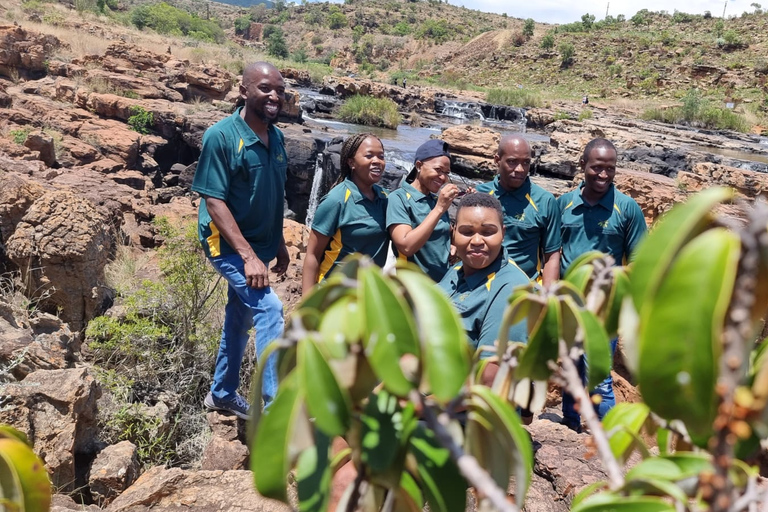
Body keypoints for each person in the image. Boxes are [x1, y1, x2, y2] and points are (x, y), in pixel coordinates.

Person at [192, 62, 289, 419]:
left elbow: (275, 193)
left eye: (280, 89)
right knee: (269, 308)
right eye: (265, 88)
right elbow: (213, 201)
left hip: (261, 245)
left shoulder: (276, 137)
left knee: (239, 316)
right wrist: (249, 256)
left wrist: (277, 242)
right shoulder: (221, 136)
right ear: (244, 90)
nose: (275, 96)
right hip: (227, 244)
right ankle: (276, 410)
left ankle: (222, 393)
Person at [558, 137, 648, 432]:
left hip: (604, 308)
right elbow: (549, 252)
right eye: (597, 167)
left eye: (610, 168)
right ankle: (570, 427)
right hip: (568, 304)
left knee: (598, 376)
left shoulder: (627, 208)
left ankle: (606, 438)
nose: (603, 174)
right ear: (582, 165)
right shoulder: (564, 204)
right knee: (570, 369)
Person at [438, 193, 529, 370]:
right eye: (467, 232)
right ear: (454, 231)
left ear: (503, 233)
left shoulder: (511, 290)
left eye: (488, 232)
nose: (477, 241)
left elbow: (489, 379)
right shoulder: (456, 270)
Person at [302, 133, 389, 294]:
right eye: (369, 155)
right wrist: (307, 304)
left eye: (381, 156)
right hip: (334, 292)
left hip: (368, 294)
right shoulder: (336, 200)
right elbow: (313, 254)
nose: (377, 161)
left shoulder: (385, 197)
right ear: (351, 162)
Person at [476, 134, 561, 287]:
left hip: (523, 290)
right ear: (497, 160)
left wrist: (547, 298)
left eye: (526, 163)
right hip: (480, 286)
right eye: (512, 162)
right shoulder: (480, 195)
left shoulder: (545, 201)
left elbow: (552, 255)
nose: (520, 169)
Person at [386, 139, 460, 282]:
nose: (443, 178)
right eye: (438, 170)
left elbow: (444, 233)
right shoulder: (399, 199)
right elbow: (406, 246)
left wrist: (451, 246)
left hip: (445, 284)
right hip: (414, 289)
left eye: (446, 173)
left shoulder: (434, 200)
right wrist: (439, 208)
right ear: (419, 166)